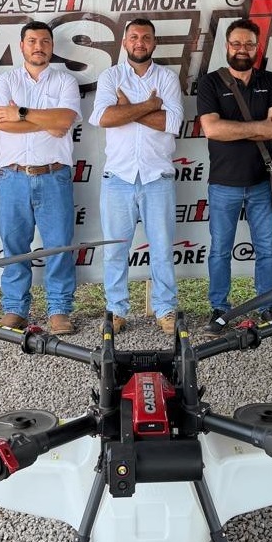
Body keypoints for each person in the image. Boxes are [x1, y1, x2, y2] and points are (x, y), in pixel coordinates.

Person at [90, 19, 184, 336]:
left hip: (158, 177)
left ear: (154, 42)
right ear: (125, 43)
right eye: (133, 37)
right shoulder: (111, 76)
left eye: (145, 37)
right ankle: (116, 310)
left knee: (162, 250)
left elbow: (171, 123)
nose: (139, 42)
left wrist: (128, 109)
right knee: (115, 251)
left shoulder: (167, 78)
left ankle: (165, 309)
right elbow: (104, 117)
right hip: (119, 177)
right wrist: (149, 106)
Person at [0, 20, 81, 335]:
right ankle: (15, 309)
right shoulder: (6, 81)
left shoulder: (65, 81)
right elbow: (2, 123)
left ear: (52, 46)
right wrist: (46, 120)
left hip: (54, 175)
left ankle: (59, 310)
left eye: (44, 41)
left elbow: (64, 122)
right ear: (22, 46)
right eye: (32, 41)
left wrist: (22, 113)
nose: (38, 47)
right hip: (13, 176)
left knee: (59, 245)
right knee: (14, 245)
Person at [196, 18, 272, 335]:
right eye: (236, 43)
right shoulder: (210, 83)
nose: (242, 49)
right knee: (220, 251)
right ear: (227, 46)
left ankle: (268, 305)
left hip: (262, 182)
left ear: (257, 47)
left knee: (267, 249)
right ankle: (219, 308)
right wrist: (258, 127)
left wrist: (233, 129)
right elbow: (212, 129)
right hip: (223, 184)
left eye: (249, 44)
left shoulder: (270, 80)